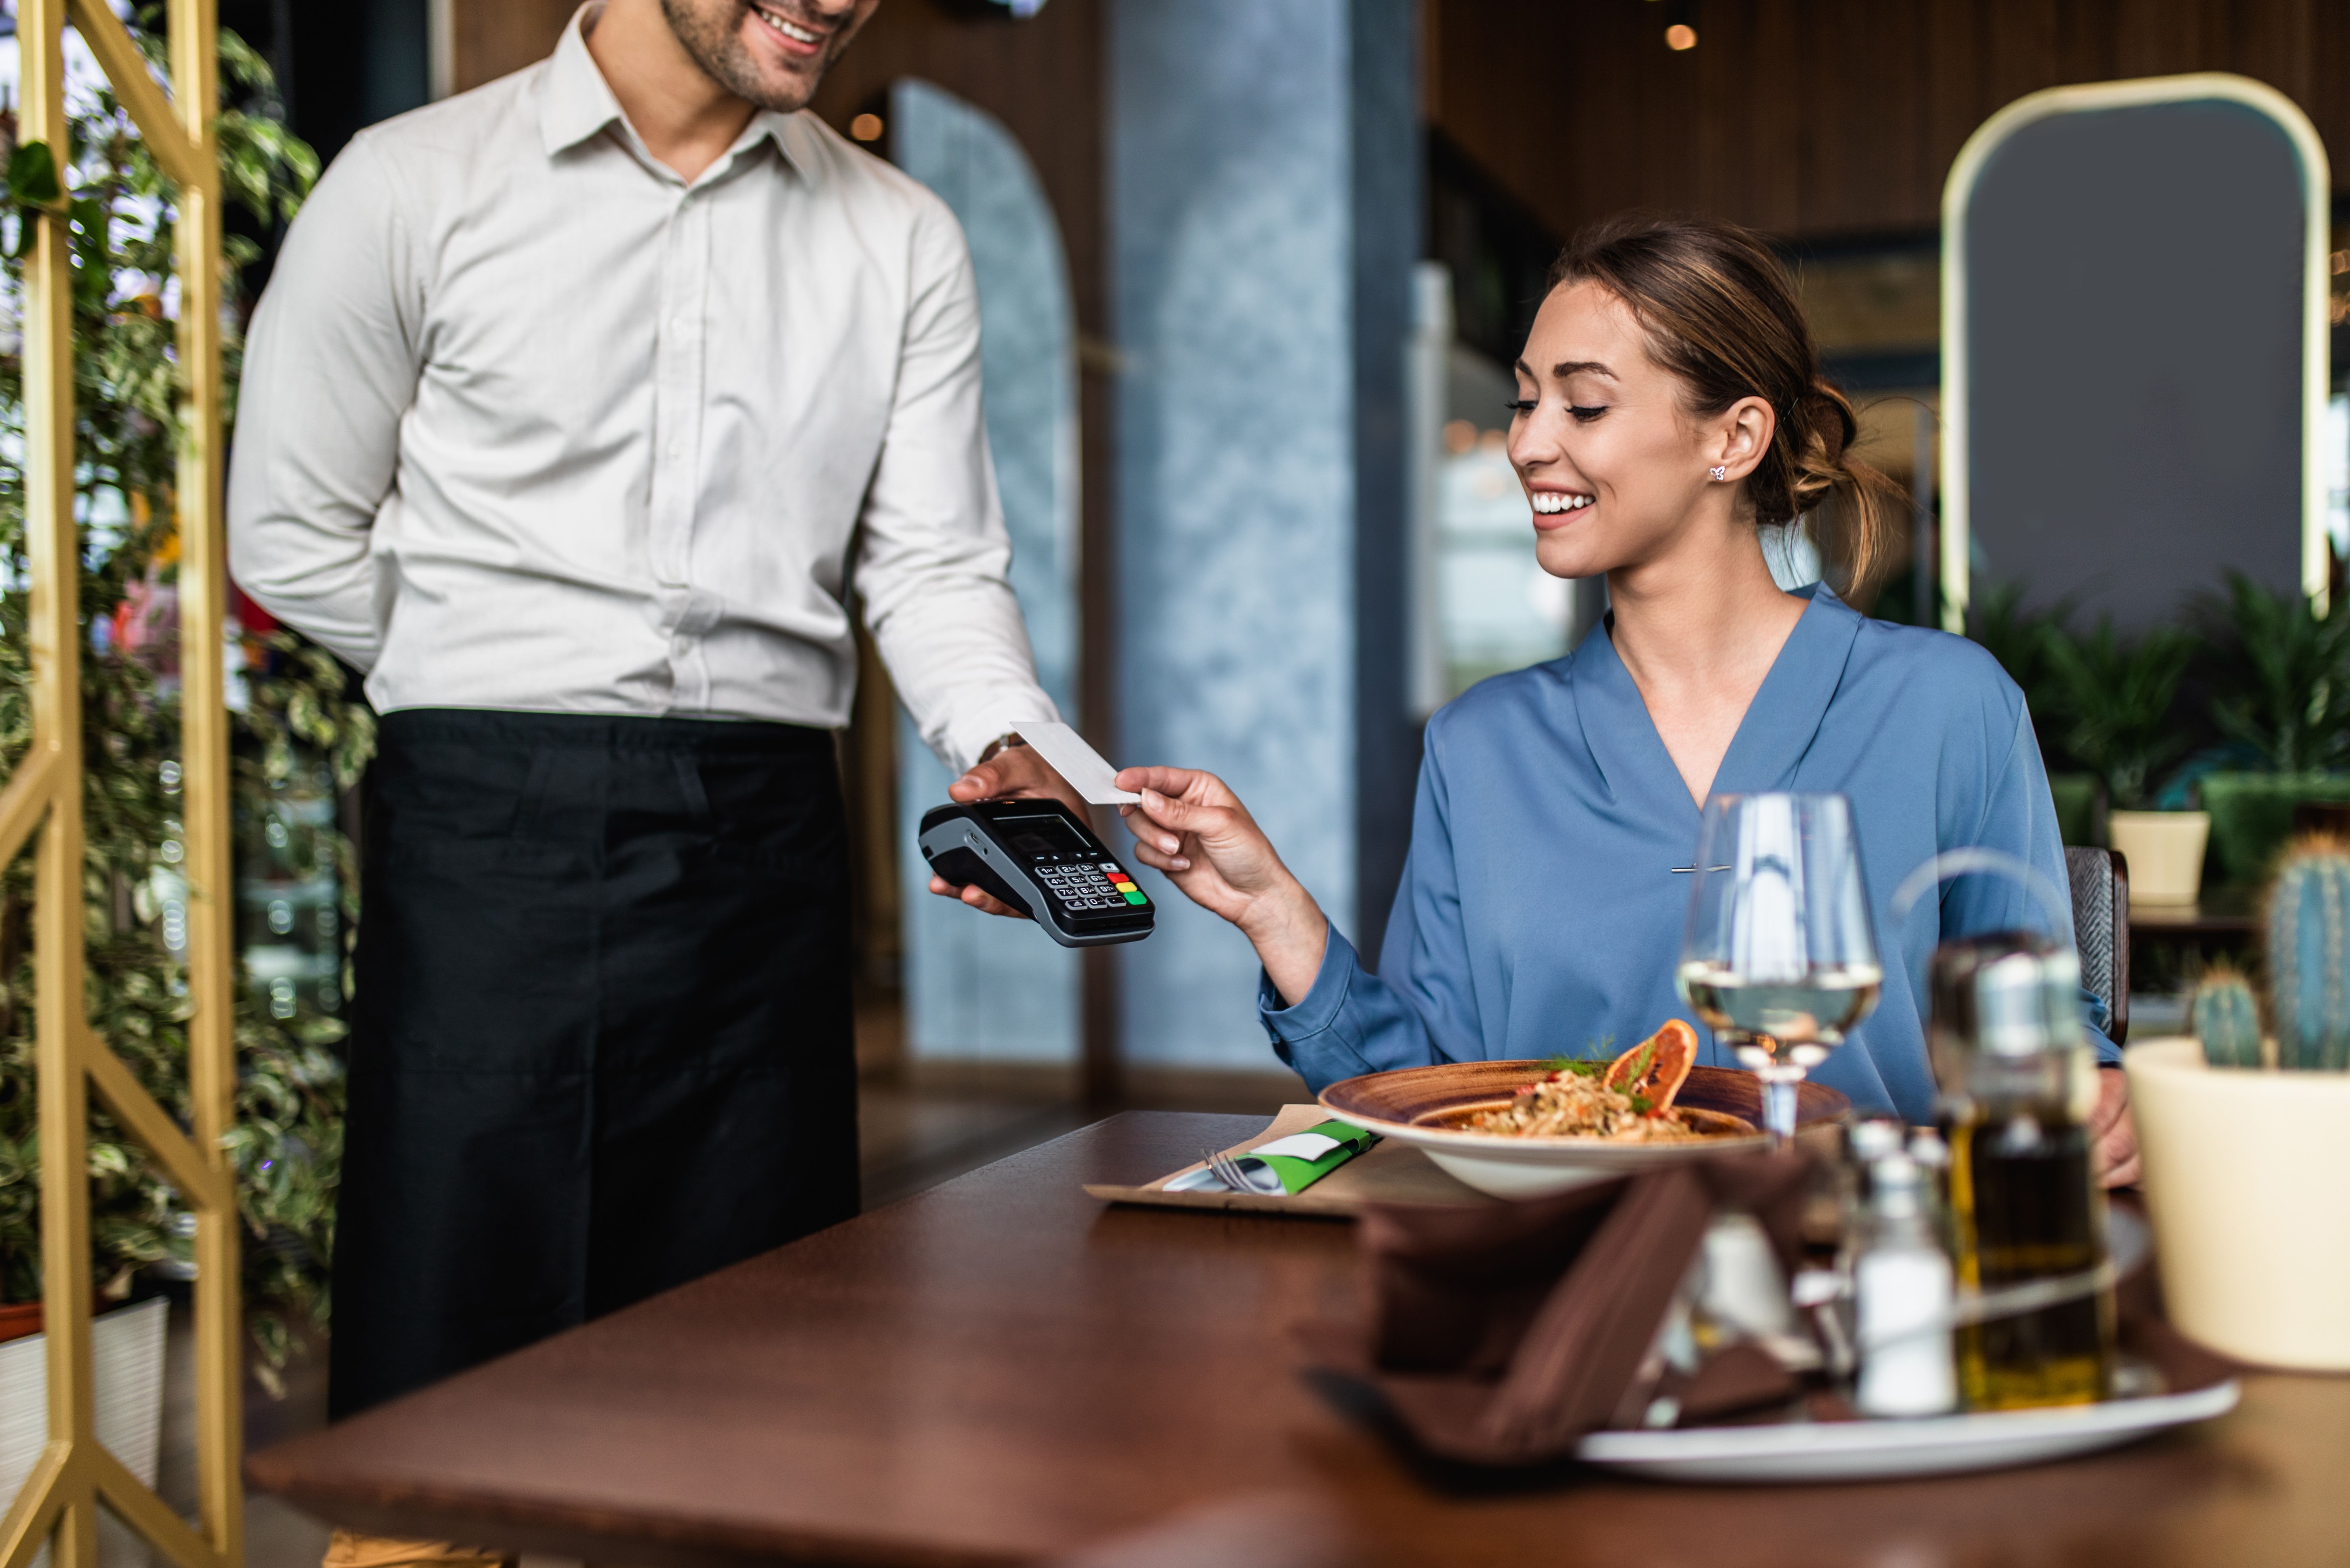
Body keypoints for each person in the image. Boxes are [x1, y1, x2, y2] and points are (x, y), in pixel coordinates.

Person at [231, 0, 1081, 1449]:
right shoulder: (406, 182)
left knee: (759, 1383)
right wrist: (501, 669)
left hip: (762, 847)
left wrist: (999, 731)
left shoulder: (901, 235)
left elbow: (934, 564)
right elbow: (290, 537)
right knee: (452, 1385)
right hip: (482, 840)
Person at [953, 214, 2139, 1184]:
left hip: (1866, 1279)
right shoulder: (1483, 746)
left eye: (1582, 404)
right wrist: (1275, 912)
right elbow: (1438, 1097)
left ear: (1734, 438)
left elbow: (2038, 1048)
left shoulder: (1948, 706)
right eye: (1526, 402)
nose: (1527, 444)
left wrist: (2096, 1096)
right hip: (1561, 1290)